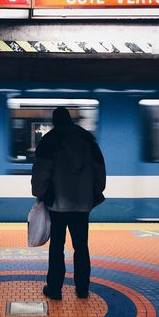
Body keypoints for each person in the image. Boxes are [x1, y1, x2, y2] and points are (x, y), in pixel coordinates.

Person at [31, 107, 106, 300]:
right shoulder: (88, 139)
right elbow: (100, 170)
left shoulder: (49, 140)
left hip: (57, 204)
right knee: (81, 246)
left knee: (57, 246)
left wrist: (39, 193)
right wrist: (95, 192)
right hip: (83, 204)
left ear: (55, 121)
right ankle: (82, 288)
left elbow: (41, 171)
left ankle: (55, 289)